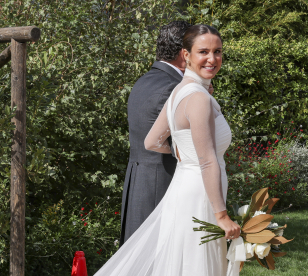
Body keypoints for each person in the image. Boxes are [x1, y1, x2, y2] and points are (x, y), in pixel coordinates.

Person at [95, 24, 240, 276]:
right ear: (186, 55)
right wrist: (222, 216)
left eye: (217, 52)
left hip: (184, 186)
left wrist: (183, 154)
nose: (212, 58)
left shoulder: (180, 91)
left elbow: (152, 141)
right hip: (200, 193)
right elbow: (207, 162)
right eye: (203, 51)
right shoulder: (198, 98)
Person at [120, 21, 193, 246]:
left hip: (139, 182)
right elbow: (184, 146)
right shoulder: (174, 88)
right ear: (184, 53)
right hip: (163, 186)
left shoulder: (144, 81)